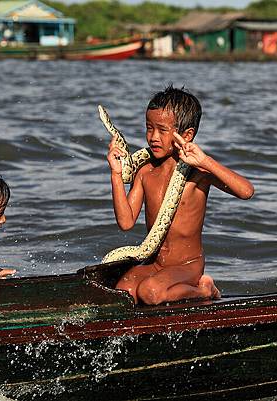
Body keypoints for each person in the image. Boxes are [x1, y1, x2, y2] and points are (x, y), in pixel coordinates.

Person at [107, 85, 254, 305]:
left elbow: (246, 191)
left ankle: (204, 290)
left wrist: (205, 161)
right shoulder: (145, 171)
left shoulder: (198, 172)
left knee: (150, 293)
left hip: (188, 266)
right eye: (149, 128)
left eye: (162, 130)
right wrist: (116, 174)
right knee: (123, 293)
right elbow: (126, 222)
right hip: (156, 263)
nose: (154, 137)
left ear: (186, 135)